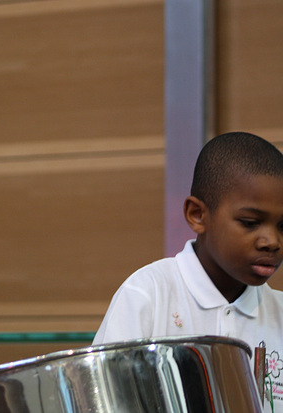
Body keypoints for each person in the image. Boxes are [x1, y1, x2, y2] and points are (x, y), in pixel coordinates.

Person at [93, 132, 283, 411]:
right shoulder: (146, 296)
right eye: (250, 222)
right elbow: (104, 400)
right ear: (197, 215)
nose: (272, 242)